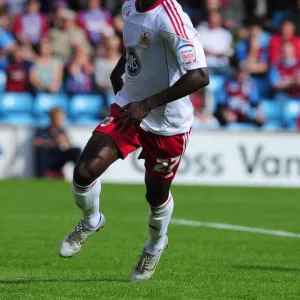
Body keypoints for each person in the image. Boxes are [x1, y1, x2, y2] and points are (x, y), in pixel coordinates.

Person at [58, 0, 209, 282]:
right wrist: (121, 72)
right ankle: (91, 220)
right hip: (131, 107)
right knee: (83, 172)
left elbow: (200, 76)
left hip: (167, 123)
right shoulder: (129, 7)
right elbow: (138, 46)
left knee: (156, 196)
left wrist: (147, 105)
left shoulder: (171, 19)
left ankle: (154, 245)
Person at [33, 108, 81, 179]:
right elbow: (36, 143)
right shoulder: (42, 130)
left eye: (60, 118)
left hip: (59, 157)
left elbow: (70, 146)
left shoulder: (62, 131)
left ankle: (80, 175)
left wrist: (65, 141)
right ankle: (41, 176)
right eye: (57, 118)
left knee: (76, 150)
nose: (59, 120)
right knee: (43, 151)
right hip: (47, 158)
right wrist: (53, 142)